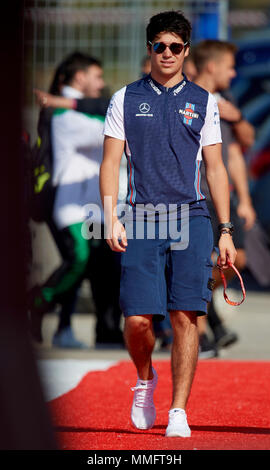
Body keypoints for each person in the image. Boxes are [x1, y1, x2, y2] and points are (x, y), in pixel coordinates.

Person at [100, 10, 236, 438]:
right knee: (138, 319)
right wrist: (109, 215)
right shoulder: (124, 98)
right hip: (140, 217)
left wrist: (226, 230)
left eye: (176, 47)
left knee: (185, 315)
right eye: (160, 46)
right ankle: (144, 380)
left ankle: (178, 410)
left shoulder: (204, 101)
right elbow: (110, 162)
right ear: (150, 49)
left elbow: (215, 169)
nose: (167, 53)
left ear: (186, 51)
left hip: (193, 216)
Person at [30, 52, 123, 348]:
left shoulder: (83, 109)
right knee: (77, 260)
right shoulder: (63, 114)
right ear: (80, 77)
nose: (102, 83)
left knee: (100, 269)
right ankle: (36, 302)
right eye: (97, 77)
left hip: (94, 210)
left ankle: (68, 329)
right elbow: (111, 133)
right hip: (69, 206)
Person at [192, 40, 256, 351]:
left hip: (224, 196)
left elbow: (240, 147)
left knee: (236, 260)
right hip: (197, 196)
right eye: (229, 67)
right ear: (211, 66)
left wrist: (244, 199)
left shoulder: (226, 100)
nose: (233, 74)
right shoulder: (188, 98)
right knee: (200, 264)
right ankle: (201, 334)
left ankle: (203, 309)